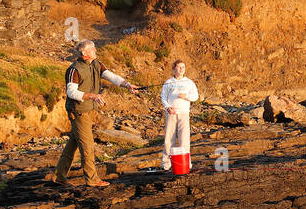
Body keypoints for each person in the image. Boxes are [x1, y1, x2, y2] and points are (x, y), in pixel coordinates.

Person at [52, 40, 139, 189]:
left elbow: (111, 76)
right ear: (84, 53)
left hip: (87, 110)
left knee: (73, 143)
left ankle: (59, 176)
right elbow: (71, 92)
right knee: (87, 146)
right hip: (78, 111)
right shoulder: (74, 70)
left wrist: (127, 85)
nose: (95, 50)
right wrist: (92, 96)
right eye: (92, 49)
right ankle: (92, 179)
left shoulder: (97, 64)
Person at [160, 60, 199, 171]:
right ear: (174, 69)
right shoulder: (168, 82)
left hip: (184, 113)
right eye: (179, 67)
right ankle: (166, 164)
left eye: (183, 67)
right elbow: (163, 97)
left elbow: (195, 96)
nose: (181, 69)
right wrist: (167, 108)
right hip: (171, 113)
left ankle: (187, 162)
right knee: (169, 139)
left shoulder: (189, 82)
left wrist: (185, 96)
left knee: (184, 139)